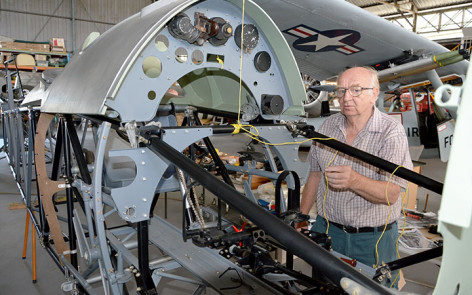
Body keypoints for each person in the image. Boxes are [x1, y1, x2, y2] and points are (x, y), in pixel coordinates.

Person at [300, 66, 413, 285]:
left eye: (356, 90)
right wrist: (302, 217)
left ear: (375, 93)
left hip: (372, 239)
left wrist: (354, 181)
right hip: (327, 231)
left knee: (372, 289)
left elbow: (391, 194)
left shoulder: (390, 132)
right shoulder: (327, 127)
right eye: (341, 91)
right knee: (325, 286)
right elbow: (314, 175)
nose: (346, 97)